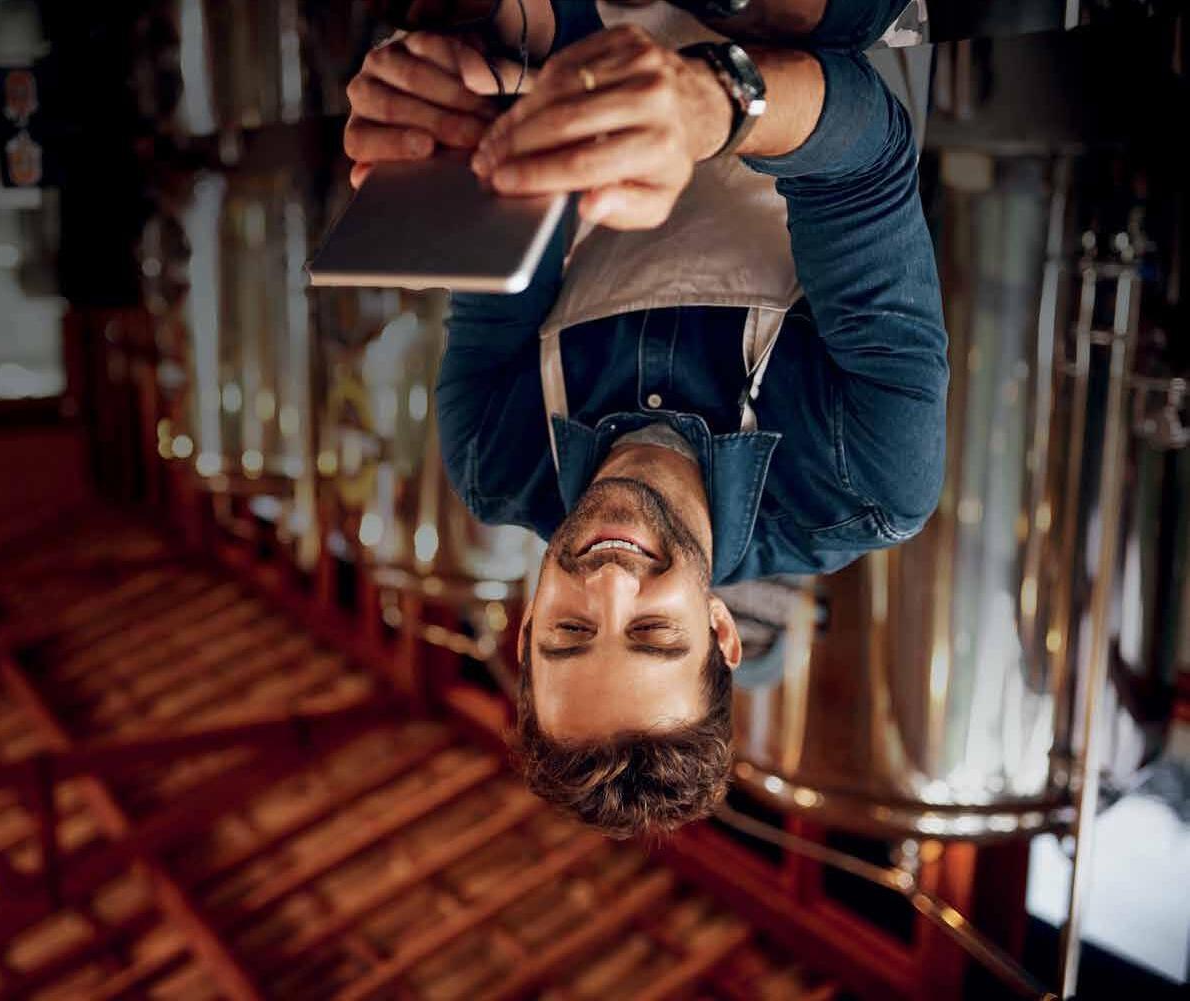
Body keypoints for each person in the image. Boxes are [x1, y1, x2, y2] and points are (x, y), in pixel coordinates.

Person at [342, 0, 946, 838]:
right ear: (721, 631)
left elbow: (513, 183)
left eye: (571, 629)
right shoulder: (864, 483)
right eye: (654, 631)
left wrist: (449, 98)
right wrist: (717, 95)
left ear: (527, 628)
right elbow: (868, 155)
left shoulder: (495, 453)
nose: (609, 582)